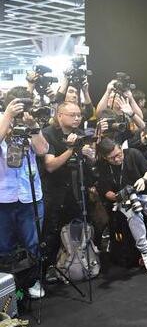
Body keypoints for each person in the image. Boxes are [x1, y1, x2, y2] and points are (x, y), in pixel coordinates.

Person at [96, 137, 147, 273]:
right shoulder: (102, 166)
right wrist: (119, 196)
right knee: (134, 217)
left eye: (118, 154)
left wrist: (143, 179)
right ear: (104, 157)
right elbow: (106, 192)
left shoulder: (133, 153)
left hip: (146, 193)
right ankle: (146, 253)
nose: (117, 159)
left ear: (121, 148)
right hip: (124, 198)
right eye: (112, 158)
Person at [0, 89, 49, 298]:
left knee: (33, 242)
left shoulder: (31, 123)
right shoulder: (2, 120)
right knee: (4, 245)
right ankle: (9, 287)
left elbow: (43, 150)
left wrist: (34, 126)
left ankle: (33, 281)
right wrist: (8, 116)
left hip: (30, 194)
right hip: (3, 196)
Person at [41, 102, 96, 282]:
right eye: (72, 115)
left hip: (76, 190)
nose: (77, 118)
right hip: (54, 191)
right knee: (51, 231)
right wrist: (71, 149)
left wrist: (90, 156)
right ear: (60, 115)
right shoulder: (48, 134)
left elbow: (91, 163)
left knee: (75, 229)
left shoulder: (81, 134)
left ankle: (75, 264)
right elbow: (50, 166)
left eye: (79, 115)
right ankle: (47, 269)